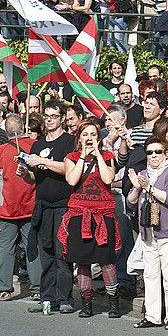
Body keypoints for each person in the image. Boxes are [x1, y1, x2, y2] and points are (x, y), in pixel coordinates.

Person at [57, 121, 123, 319]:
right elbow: (72, 180)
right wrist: (83, 158)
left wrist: (98, 156)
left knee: (106, 261)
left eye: (93, 134)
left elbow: (108, 179)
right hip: (80, 214)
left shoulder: (108, 156)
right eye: (85, 134)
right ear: (79, 137)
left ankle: (113, 300)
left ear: (98, 137)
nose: (89, 138)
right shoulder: (72, 157)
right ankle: (86, 301)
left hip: (103, 215)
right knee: (82, 262)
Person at [20, 103, 77, 316]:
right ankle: (47, 297)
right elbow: (35, 176)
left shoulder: (69, 142)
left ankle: (65, 298)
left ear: (63, 118)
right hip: (42, 205)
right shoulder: (37, 145)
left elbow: (68, 168)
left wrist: (43, 161)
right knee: (46, 253)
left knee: (62, 252)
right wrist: (25, 174)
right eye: (47, 116)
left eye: (54, 116)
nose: (50, 119)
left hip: (63, 204)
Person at [129, 136, 168, 329]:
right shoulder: (143, 173)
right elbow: (131, 201)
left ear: (165, 153)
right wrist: (137, 187)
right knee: (151, 275)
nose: (153, 156)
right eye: (149, 152)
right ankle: (152, 315)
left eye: (158, 152)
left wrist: (149, 187)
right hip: (148, 231)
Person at [0, 114, 36, 300]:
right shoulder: (35, 146)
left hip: (5, 207)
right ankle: (37, 288)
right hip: (30, 205)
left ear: (6, 131)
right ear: (23, 127)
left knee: (5, 248)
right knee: (32, 247)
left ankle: (4, 288)